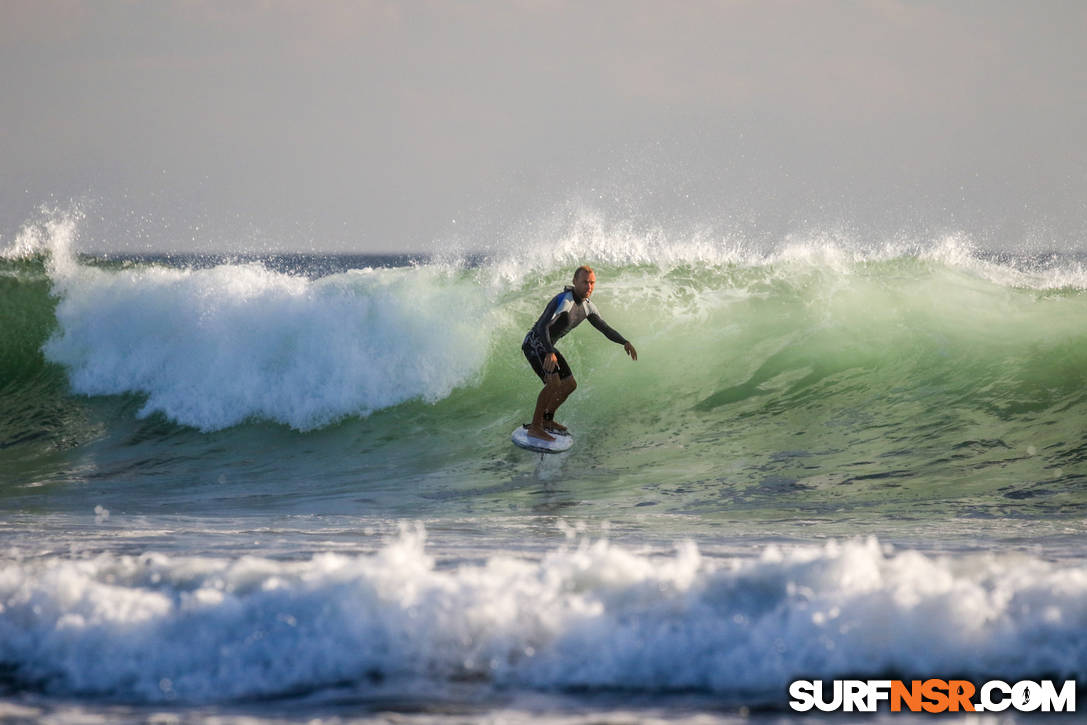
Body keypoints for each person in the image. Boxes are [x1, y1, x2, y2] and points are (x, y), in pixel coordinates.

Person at [522, 265, 637, 441]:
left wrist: (624, 342)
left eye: (592, 283)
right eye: (585, 282)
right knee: (553, 384)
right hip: (535, 343)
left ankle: (547, 420)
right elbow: (542, 326)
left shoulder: (588, 307)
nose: (589, 286)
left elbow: (604, 328)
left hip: (548, 347)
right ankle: (535, 427)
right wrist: (549, 352)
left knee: (569, 384)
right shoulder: (564, 300)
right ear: (575, 281)